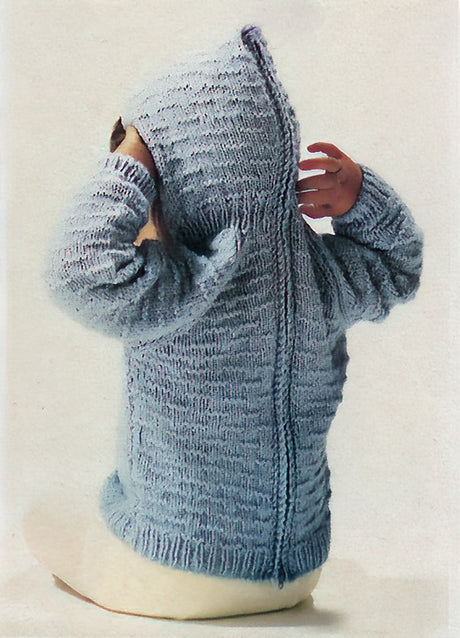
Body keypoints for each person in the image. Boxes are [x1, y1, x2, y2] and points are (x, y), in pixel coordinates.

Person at [23, 24, 423, 620]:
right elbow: (398, 266)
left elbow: (75, 268)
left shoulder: (179, 287)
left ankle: (138, 566)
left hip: (177, 564)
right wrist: (362, 196)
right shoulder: (321, 277)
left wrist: (133, 158)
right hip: (297, 570)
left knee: (41, 515)